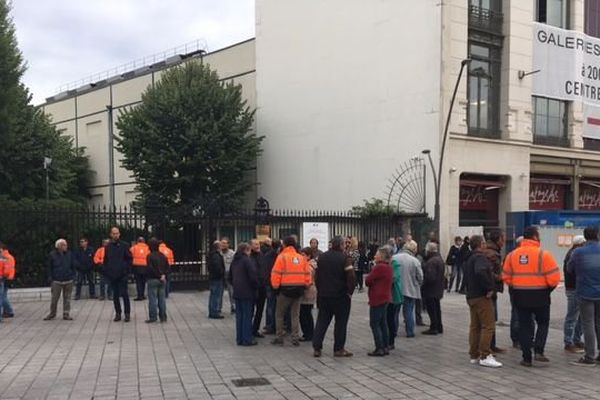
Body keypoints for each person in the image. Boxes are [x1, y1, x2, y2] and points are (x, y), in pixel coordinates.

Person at [502, 226, 560, 367]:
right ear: (535, 237)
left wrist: (518, 285)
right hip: (541, 295)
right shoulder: (544, 255)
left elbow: (506, 277)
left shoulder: (512, 255)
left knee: (524, 326)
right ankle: (539, 351)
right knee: (542, 323)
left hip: (520, 295)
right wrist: (546, 289)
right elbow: (554, 278)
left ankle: (526, 358)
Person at [312, 236, 356, 357]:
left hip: (324, 295)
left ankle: (317, 347)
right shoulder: (345, 258)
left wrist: (320, 289)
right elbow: (351, 277)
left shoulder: (321, 257)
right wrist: (349, 292)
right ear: (341, 245)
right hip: (341, 296)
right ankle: (338, 348)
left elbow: (316, 276)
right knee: (341, 323)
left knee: (322, 321)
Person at [464, 235, 502, 368]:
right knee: (488, 325)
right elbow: (480, 272)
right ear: (481, 244)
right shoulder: (480, 258)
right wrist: (489, 288)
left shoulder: (470, 258)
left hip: (471, 296)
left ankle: (474, 354)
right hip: (481, 296)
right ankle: (485, 355)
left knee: (475, 326)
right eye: (484, 243)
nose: (486, 245)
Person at [568, 226, 600, 366]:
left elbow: (570, 269)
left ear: (585, 237)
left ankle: (589, 356)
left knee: (588, 324)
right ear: (598, 235)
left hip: (585, 292)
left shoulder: (578, 252)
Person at [271, 236, 311, 346]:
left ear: (284, 245)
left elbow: (276, 273)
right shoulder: (301, 258)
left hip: (285, 290)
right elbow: (307, 273)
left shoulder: (281, 257)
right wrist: (306, 285)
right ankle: (295, 337)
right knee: (295, 315)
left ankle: (279, 337)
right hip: (298, 290)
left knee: (279, 314)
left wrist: (275, 287)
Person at [365, 247, 394, 356]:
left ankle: (379, 347)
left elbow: (368, 280)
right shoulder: (388, 267)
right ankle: (385, 346)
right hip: (385, 297)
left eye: (376, 254)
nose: (374, 256)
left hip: (377, 298)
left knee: (374, 323)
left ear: (381, 256)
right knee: (383, 323)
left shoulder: (379, 267)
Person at [228, 243, 258, 346]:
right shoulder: (247, 261)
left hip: (237, 291)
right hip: (247, 291)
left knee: (239, 316)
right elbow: (253, 276)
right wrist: (255, 286)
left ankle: (239, 338)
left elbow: (230, 277)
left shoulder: (235, 261)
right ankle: (247, 339)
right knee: (247, 316)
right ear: (246, 250)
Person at [393, 240, 423, 338]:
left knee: (395, 312)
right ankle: (410, 332)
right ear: (413, 250)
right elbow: (420, 277)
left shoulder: (394, 258)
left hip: (396, 289)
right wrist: (418, 284)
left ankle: (394, 331)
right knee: (409, 311)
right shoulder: (414, 260)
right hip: (410, 289)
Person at [103, 227, 133, 322]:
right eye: (114, 233)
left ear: (119, 234)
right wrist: (108, 271)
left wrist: (126, 270)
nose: (115, 235)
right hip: (112, 275)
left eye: (117, 233)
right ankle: (118, 313)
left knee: (124, 294)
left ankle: (127, 314)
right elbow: (106, 260)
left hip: (122, 274)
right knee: (115, 295)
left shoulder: (125, 245)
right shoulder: (108, 247)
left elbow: (129, 259)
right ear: (111, 234)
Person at [563, 235, 585, 354]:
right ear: (580, 244)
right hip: (573, 289)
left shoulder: (574, 253)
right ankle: (568, 341)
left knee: (580, 316)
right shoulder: (573, 255)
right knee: (572, 316)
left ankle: (576, 339)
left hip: (577, 288)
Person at [44, 239, 77, 321]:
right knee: (54, 298)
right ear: (59, 246)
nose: (66, 246)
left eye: (66, 245)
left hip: (68, 279)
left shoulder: (69, 254)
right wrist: (50, 278)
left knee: (67, 298)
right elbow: (49, 267)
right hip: (56, 280)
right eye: (64, 245)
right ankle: (52, 313)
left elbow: (73, 265)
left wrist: (73, 276)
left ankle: (66, 313)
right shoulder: (52, 255)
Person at [485, 229, 507, 354]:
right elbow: (487, 272)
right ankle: (488, 346)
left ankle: (492, 345)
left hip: (492, 289)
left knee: (492, 318)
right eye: (503, 239)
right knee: (490, 319)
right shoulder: (492, 254)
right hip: (490, 290)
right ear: (498, 239)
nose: (504, 241)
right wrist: (498, 277)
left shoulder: (492, 251)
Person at [421, 242, 445, 335]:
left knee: (432, 309)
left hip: (431, 289)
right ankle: (439, 326)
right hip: (438, 288)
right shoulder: (439, 259)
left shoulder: (432, 262)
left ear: (429, 250)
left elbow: (430, 277)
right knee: (437, 308)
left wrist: (424, 283)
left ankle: (434, 327)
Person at [145, 238, 169, 323]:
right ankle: (163, 317)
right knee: (162, 299)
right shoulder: (163, 256)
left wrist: (158, 275)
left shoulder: (149, 256)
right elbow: (167, 267)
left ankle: (153, 317)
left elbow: (150, 268)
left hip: (153, 279)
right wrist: (163, 275)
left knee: (152, 299)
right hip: (162, 280)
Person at [387, 244, 403, 350]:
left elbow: (394, 278)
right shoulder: (382, 264)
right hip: (386, 296)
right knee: (387, 318)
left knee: (391, 318)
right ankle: (387, 339)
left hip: (393, 296)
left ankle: (391, 340)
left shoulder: (395, 264)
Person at [300, 247, 317, 342]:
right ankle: (308, 333)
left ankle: (308, 334)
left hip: (308, 291)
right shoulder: (311, 264)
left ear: (308, 256)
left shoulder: (309, 266)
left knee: (305, 313)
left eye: (303, 255)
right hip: (310, 291)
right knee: (306, 313)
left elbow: (308, 280)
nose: (301, 257)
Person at [251, 239, 267, 338]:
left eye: (258, 244)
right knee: (251, 310)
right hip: (253, 287)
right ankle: (249, 328)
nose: (257, 246)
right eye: (255, 244)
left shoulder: (261, 255)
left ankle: (255, 329)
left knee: (260, 310)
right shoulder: (249, 256)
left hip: (262, 287)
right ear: (251, 246)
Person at [262, 238, 279, 334]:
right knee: (272, 305)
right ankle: (272, 325)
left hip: (269, 282)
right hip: (274, 283)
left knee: (270, 305)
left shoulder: (267, 255)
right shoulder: (277, 255)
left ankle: (270, 325)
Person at [207, 240, 225, 319]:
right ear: (218, 247)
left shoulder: (211, 255)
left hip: (213, 277)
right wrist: (222, 273)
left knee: (213, 294)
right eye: (221, 245)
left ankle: (212, 311)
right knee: (216, 295)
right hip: (217, 278)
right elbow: (217, 267)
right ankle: (215, 312)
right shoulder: (216, 256)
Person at [130, 237, 150, 301]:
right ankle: (143, 295)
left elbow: (129, 254)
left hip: (137, 266)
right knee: (143, 281)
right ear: (144, 241)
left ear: (138, 241)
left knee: (138, 281)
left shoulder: (134, 248)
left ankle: (139, 295)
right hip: (145, 266)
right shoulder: (148, 248)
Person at [0, 242, 16, 319]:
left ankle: (9, 311)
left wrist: (4, 276)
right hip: (6, 278)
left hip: (5, 278)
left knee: (2, 296)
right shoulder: (7, 257)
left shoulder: (5, 257)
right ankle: (7, 311)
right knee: (3, 296)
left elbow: (7, 269)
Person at [221, 237, 236, 314]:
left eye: (224, 243)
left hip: (229, 274)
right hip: (220, 274)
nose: (223, 245)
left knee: (231, 291)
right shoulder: (219, 253)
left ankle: (233, 306)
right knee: (219, 292)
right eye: (222, 243)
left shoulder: (232, 253)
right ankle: (218, 308)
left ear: (228, 244)